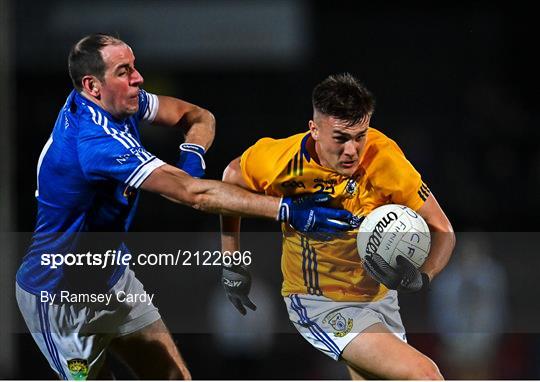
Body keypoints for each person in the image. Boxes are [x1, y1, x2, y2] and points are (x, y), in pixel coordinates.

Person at [15, 34, 354, 380]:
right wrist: (289, 210)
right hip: (61, 295)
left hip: (112, 275)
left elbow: (199, 116)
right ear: (92, 85)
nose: (138, 78)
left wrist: (191, 155)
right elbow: (194, 195)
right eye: (124, 71)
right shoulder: (93, 142)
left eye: (134, 67)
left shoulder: (115, 103)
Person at [220, 73, 456, 380]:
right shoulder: (279, 161)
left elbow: (442, 228)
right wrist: (231, 263)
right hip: (321, 302)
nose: (352, 150)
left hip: (379, 298)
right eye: (341, 138)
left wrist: (422, 278)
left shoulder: (385, 159)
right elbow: (230, 179)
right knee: (425, 375)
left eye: (360, 136)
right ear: (314, 130)